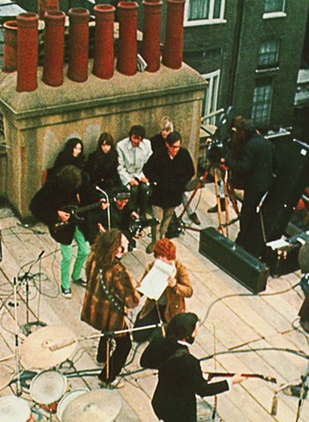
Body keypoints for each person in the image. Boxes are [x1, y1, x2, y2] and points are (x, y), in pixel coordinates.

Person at [141, 313, 245, 422]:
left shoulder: (160, 341)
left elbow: (146, 362)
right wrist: (230, 382)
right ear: (188, 334)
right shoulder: (189, 362)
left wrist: (189, 376)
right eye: (196, 329)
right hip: (179, 412)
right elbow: (203, 390)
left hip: (162, 400)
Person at [80, 228, 140, 385]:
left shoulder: (93, 257)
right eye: (124, 243)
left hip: (94, 308)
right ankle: (107, 377)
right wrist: (135, 288)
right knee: (124, 345)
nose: (127, 242)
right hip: (110, 315)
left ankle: (101, 357)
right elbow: (132, 302)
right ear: (118, 249)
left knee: (105, 333)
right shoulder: (119, 271)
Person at [31, 165, 94, 298]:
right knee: (67, 256)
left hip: (76, 219)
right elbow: (35, 206)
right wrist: (56, 214)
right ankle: (65, 284)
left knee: (85, 250)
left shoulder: (82, 180)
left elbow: (89, 196)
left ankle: (76, 275)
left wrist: (99, 201)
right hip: (61, 225)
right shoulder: (51, 186)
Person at [223, 121, 276, 256]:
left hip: (254, 185)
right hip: (265, 184)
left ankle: (242, 240)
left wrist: (228, 163)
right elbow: (276, 163)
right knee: (251, 211)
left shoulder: (250, 146)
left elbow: (244, 167)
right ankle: (248, 237)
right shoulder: (267, 143)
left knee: (247, 212)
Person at [144, 129, 195, 250]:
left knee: (167, 220)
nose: (175, 150)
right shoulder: (159, 154)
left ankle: (162, 241)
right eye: (173, 147)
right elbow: (148, 170)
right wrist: (156, 182)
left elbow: (190, 172)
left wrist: (181, 183)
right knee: (157, 220)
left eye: (178, 147)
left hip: (174, 194)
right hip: (159, 194)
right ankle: (155, 244)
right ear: (167, 145)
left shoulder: (184, 154)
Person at [134, 238, 193, 341]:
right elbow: (141, 287)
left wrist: (176, 286)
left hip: (172, 309)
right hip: (154, 306)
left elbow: (189, 291)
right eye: (158, 256)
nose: (158, 259)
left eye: (162, 257)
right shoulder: (152, 266)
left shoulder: (180, 269)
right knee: (138, 336)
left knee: (169, 340)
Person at [117, 124, 152, 213]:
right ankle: (132, 212)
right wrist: (129, 180)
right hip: (128, 174)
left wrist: (146, 176)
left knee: (145, 188)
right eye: (134, 138)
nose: (136, 141)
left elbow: (150, 161)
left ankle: (143, 212)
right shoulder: (121, 146)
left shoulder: (147, 144)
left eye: (139, 139)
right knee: (133, 190)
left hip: (140, 173)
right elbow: (120, 167)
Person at [85, 132, 120, 198]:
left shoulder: (114, 156)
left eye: (108, 145)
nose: (106, 148)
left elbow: (114, 173)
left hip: (111, 184)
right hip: (98, 186)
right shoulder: (94, 157)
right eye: (103, 145)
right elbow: (92, 174)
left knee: (124, 194)